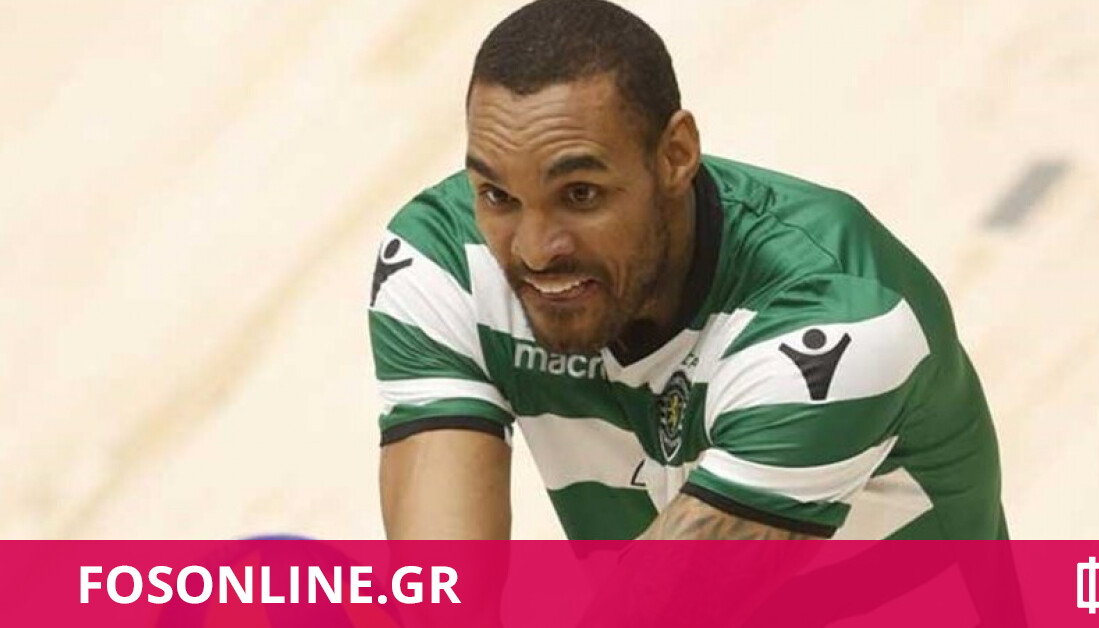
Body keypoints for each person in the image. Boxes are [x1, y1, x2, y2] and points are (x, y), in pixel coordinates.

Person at [370, 0, 1006, 540]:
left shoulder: (839, 323)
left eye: (581, 194)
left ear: (676, 154)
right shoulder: (446, 261)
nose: (535, 251)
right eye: (497, 196)